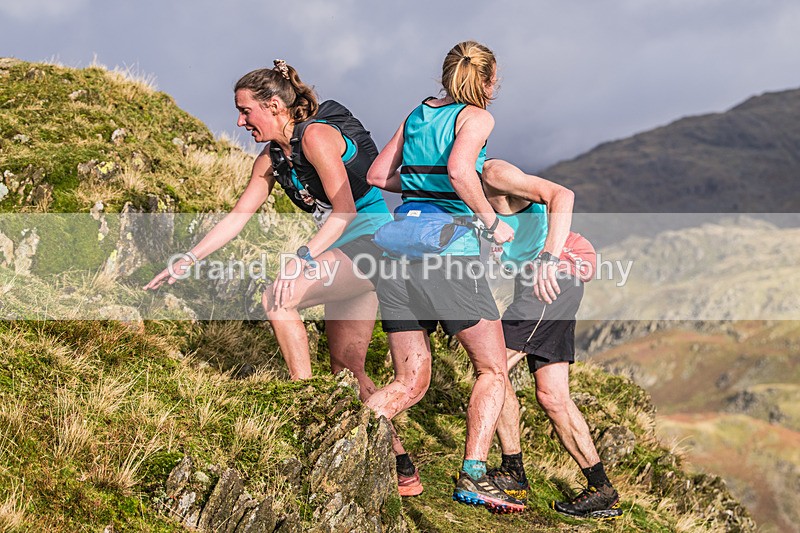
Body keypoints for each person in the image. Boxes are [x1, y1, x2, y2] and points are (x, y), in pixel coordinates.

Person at [143, 60, 423, 497]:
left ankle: (304, 404)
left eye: (245, 110)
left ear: (274, 105)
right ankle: (402, 468)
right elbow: (239, 216)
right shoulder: (274, 157)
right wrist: (188, 258)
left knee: (279, 296)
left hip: (371, 243)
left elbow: (347, 210)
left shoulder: (316, 136)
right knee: (346, 370)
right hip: (343, 251)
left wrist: (303, 259)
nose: (239, 121)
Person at [365, 41, 525, 514]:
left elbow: (378, 175)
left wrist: (418, 183)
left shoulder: (417, 113)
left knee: (409, 383)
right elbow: (459, 171)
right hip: (447, 253)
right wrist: (493, 222)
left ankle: (334, 438)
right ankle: (474, 474)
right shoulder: (476, 118)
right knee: (493, 369)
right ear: (489, 80)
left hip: (395, 253)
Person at [479, 159, 622, 519]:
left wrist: (547, 259)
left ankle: (512, 472)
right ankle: (601, 488)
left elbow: (563, 195)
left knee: (491, 369)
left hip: (551, 279)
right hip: (540, 283)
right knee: (553, 396)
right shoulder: (457, 186)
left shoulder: (492, 173)